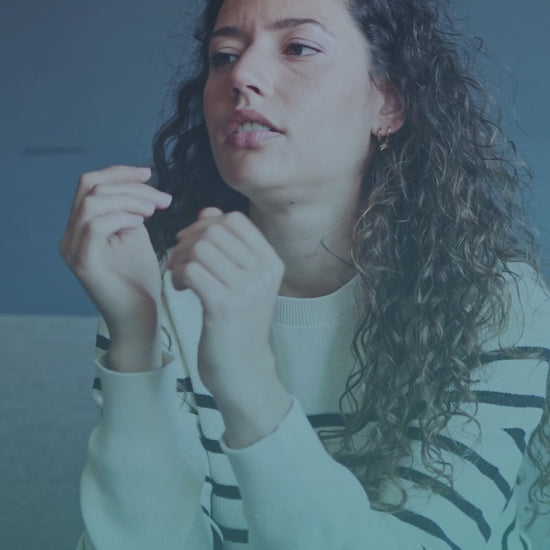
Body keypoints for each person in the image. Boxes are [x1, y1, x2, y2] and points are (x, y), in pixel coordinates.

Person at [60, 0, 550, 548]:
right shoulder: (160, 288)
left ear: (388, 102)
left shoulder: (495, 301)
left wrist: (248, 380)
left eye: (298, 48)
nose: (241, 75)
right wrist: (134, 337)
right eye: (224, 56)